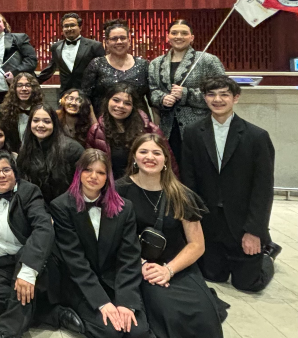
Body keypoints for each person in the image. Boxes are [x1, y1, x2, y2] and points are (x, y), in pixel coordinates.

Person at [118, 134, 226, 337]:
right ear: (134, 157)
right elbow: (113, 241)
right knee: (168, 311)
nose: (150, 157)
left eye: (156, 153)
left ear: (165, 160)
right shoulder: (119, 192)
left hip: (176, 265)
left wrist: (168, 270)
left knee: (204, 315)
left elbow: (197, 245)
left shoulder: (181, 195)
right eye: (143, 151)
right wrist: (143, 266)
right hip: (138, 266)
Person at [0, 152, 81, 337]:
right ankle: (51, 315)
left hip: (28, 258)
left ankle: (6, 332)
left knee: (23, 285)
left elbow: (44, 228)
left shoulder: (28, 191)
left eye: (6, 169)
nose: (1, 175)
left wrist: (27, 272)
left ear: (15, 172)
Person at [181, 75, 277, 292]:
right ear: (205, 98)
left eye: (224, 94)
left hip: (242, 223)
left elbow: (263, 189)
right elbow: (189, 180)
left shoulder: (257, 136)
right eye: (211, 94)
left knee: (248, 284)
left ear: (236, 98)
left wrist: (255, 231)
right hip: (210, 221)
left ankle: (268, 253)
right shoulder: (193, 133)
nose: (218, 99)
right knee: (213, 277)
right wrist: (194, 223)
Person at [51, 149, 152, 338]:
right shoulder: (61, 206)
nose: (93, 177)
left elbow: (129, 258)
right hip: (81, 284)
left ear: (108, 177)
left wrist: (126, 303)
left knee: (137, 331)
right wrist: (103, 303)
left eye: (101, 172)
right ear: (78, 172)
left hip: (114, 281)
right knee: (111, 332)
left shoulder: (125, 207)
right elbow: (75, 261)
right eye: (88, 170)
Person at [148, 19, 226, 165]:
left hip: (199, 128)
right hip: (168, 129)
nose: (179, 36)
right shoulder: (155, 63)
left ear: (192, 37)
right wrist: (162, 99)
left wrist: (186, 94)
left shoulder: (207, 60)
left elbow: (222, 93)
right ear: (168, 37)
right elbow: (152, 90)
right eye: (174, 33)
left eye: (184, 33)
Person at [87, 83, 175, 179]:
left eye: (127, 103)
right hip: (110, 189)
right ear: (107, 101)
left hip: (143, 186)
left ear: (133, 107)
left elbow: (170, 164)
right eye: (116, 100)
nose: (120, 106)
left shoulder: (150, 130)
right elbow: (89, 167)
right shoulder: (95, 131)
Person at [17, 105, 85, 206]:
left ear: (54, 124)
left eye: (46, 121)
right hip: (36, 208)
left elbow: (80, 186)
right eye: (36, 120)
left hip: (66, 208)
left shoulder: (73, 149)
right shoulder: (25, 149)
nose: (40, 125)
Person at [82, 19, 150, 116]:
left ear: (129, 41)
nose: (119, 42)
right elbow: (86, 99)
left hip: (140, 124)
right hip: (104, 123)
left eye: (123, 38)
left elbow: (152, 100)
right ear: (107, 42)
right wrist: (94, 124)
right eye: (114, 39)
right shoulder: (96, 64)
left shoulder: (143, 65)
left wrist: (155, 127)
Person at [38, 13, 106, 97]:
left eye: (72, 25)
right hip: (65, 95)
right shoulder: (56, 47)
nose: (69, 29)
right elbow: (50, 69)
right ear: (62, 29)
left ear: (80, 27)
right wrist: (33, 82)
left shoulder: (95, 46)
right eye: (66, 26)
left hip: (89, 95)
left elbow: (103, 70)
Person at [0, 12, 38, 107]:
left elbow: (31, 61)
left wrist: (15, 73)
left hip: (11, 92)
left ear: (4, 25)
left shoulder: (18, 38)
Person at [0, 72, 44, 153]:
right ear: (14, 89)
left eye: (28, 85)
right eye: (19, 85)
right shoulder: (1, 111)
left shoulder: (43, 111)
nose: (24, 89)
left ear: (34, 89)